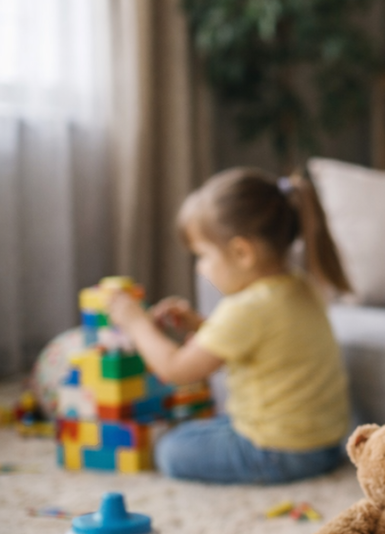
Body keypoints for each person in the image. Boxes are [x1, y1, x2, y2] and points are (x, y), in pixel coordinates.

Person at [107, 167, 354, 484]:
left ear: (241, 252)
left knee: (169, 449)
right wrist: (198, 325)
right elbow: (258, 344)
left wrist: (136, 324)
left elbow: (177, 370)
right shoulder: (298, 285)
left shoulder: (246, 308)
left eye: (203, 256)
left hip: (278, 451)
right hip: (323, 443)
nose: (201, 268)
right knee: (206, 426)